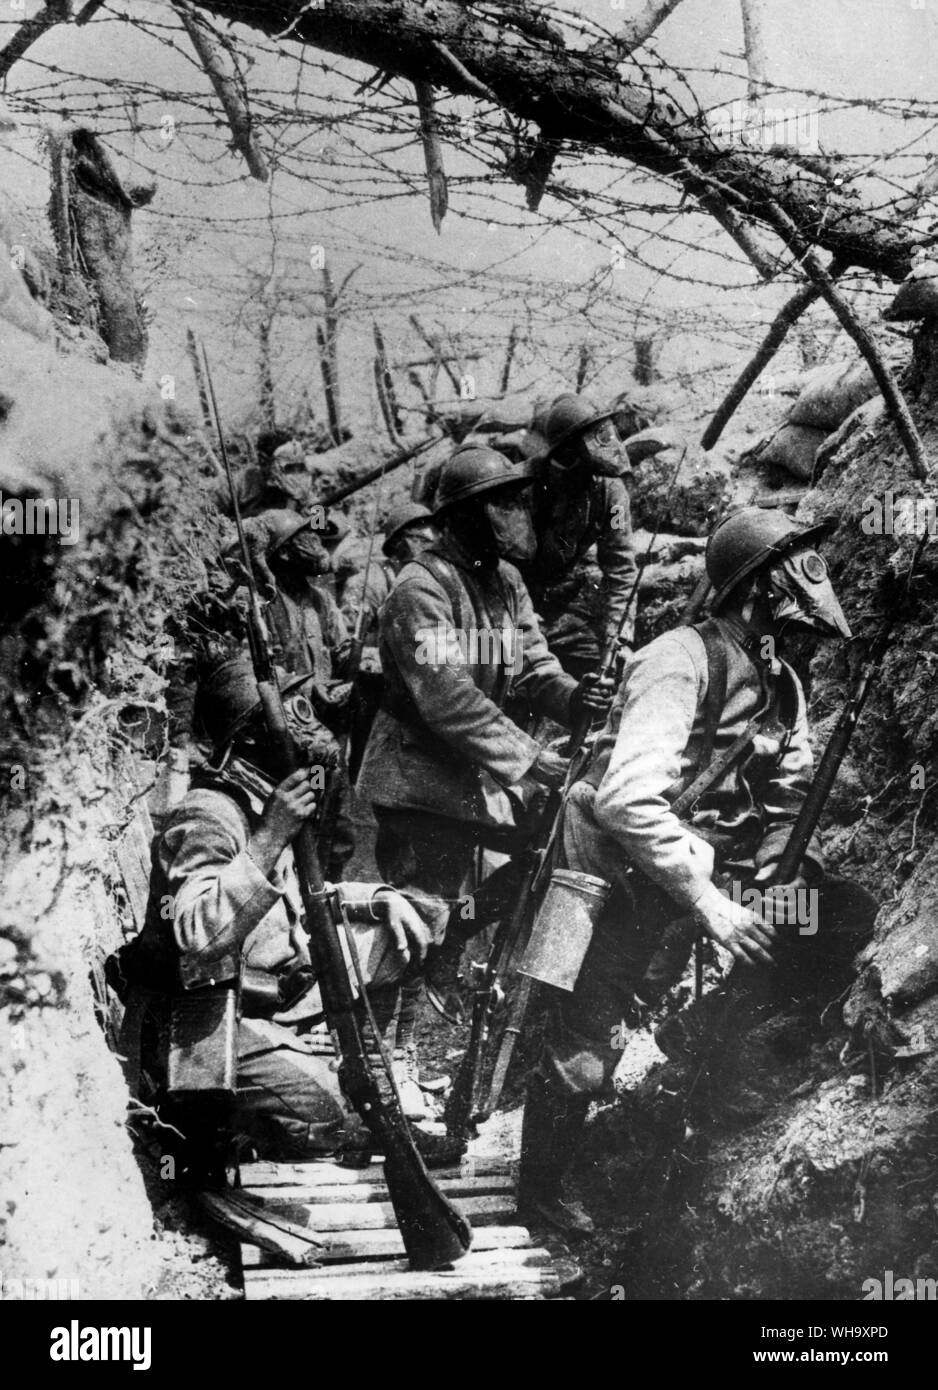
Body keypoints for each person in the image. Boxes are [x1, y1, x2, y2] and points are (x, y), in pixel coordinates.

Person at [517, 507, 876, 1235]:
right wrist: (713, 906)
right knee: (586, 1043)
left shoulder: (783, 682)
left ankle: (709, 1049)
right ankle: (543, 1192)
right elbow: (624, 799)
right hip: (621, 873)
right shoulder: (677, 659)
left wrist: (777, 874)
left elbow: (789, 798)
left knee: (831, 915)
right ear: (757, 587)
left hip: (714, 866)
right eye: (795, 569)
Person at [356, 444, 613, 1117]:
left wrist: (571, 697)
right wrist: (530, 759)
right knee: (412, 916)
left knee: (469, 904)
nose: (519, 513)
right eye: (503, 502)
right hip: (418, 784)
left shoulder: (506, 583)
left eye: (519, 499)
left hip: (474, 784)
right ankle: (388, 1068)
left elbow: (531, 664)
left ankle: (424, 1039)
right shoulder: (421, 590)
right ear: (467, 514)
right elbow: (446, 697)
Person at [117, 656, 442, 1164]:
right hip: (205, 1022)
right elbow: (198, 935)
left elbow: (301, 897)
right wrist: (269, 837)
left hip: (272, 991)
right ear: (251, 737)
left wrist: (378, 900)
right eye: (295, 708)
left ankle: (379, 1081)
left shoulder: (264, 796)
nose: (312, 718)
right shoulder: (208, 814)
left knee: (405, 928)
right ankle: (250, 1127)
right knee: (324, 1114)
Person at [518, 393, 639, 680]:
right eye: (594, 436)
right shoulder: (521, 486)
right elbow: (500, 567)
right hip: (513, 612)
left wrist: (618, 638)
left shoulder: (610, 490)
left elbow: (621, 567)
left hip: (561, 612)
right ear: (568, 449)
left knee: (600, 676)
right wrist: (520, 618)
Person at [340, 501, 436, 648]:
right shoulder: (369, 583)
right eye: (422, 540)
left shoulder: (430, 580)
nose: (431, 547)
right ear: (400, 543)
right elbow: (346, 642)